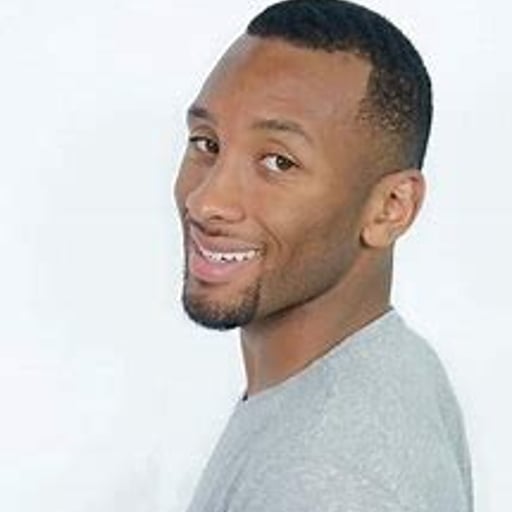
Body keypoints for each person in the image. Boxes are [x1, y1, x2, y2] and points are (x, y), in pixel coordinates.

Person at [173, 0, 473, 510]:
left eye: (278, 162)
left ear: (391, 208)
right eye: (207, 143)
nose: (206, 201)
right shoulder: (386, 359)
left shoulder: (325, 480)